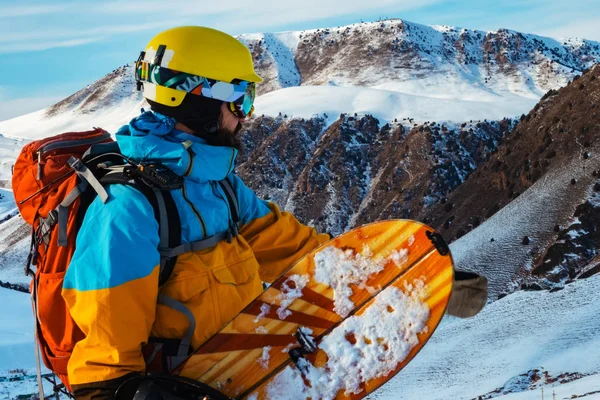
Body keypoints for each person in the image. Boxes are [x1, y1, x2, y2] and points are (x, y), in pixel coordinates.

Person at [61, 26, 331, 399]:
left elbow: (294, 250)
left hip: (245, 380)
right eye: (240, 100)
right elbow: (106, 364)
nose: (246, 116)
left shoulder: (220, 185)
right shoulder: (128, 209)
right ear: (198, 100)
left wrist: (363, 259)